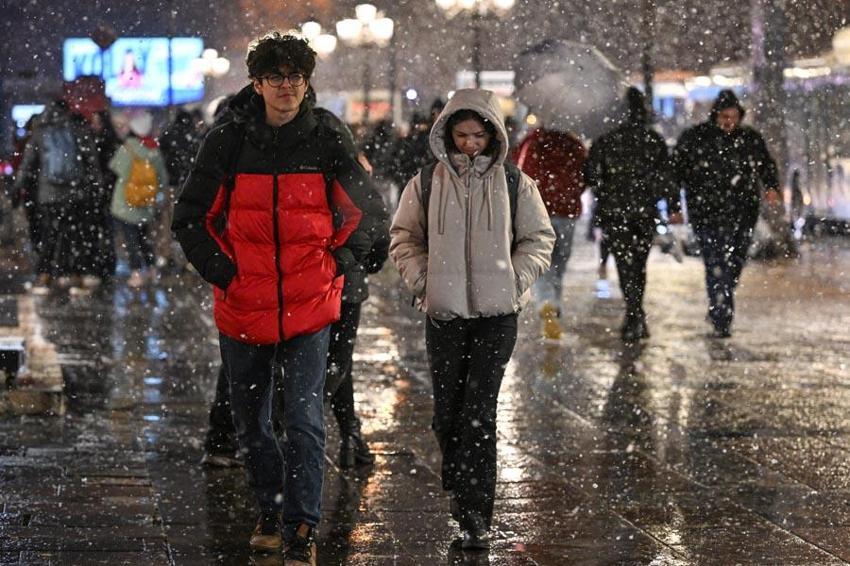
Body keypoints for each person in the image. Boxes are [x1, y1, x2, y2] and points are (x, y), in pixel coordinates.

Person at [172, 32, 385, 563]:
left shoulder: (325, 137)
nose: (286, 86)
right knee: (252, 422)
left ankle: (302, 526)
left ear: (306, 80)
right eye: (276, 77)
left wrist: (335, 262)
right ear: (257, 83)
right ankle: (270, 507)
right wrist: (225, 272)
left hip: (309, 304)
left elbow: (368, 212)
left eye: (295, 76)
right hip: (243, 304)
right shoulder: (227, 141)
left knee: (306, 419)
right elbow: (189, 217)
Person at [390, 89, 554, 550]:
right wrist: (425, 282)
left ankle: (475, 515)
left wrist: (513, 281)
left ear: (493, 135)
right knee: (448, 411)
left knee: (479, 412)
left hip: (495, 318)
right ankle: (460, 479)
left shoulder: (515, 183)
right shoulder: (425, 182)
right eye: (460, 136)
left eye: (478, 136)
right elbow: (404, 237)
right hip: (444, 315)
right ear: (446, 135)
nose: (469, 145)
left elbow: (539, 238)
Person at [671, 89, 780, 338]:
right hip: (706, 212)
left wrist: (771, 187)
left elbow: (766, 164)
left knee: (734, 261)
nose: (728, 122)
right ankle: (722, 313)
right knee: (715, 262)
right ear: (715, 116)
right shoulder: (697, 138)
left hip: (742, 212)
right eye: (723, 117)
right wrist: (676, 205)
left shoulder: (749, 139)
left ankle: (720, 300)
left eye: (732, 117)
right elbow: (676, 172)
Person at [583, 87, 674, 341]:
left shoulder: (606, 138)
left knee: (624, 262)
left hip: (615, 211)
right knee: (639, 263)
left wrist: (605, 191)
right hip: (644, 210)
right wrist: (662, 199)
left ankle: (633, 312)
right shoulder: (652, 139)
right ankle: (636, 313)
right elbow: (665, 175)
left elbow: (591, 174)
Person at [13, 99, 104, 292]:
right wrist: (96, 187)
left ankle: (44, 277)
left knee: (49, 235)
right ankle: (75, 277)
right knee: (74, 235)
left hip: (48, 194)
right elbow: (92, 162)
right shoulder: (77, 130)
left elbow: (27, 165)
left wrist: (17, 188)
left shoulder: (40, 133)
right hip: (74, 193)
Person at [514, 125, 587, 339]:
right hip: (566, 212)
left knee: (541, 263)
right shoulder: (574, 146)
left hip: (537, 212)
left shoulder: (532, 142)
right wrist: (569, 193)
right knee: (560, 261)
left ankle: (547, 303)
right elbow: (584, 176)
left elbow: (517, 172)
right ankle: (555, 303)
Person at [109, 112, 168, 288]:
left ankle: (136, 272)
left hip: (125, 202)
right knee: (144, 238)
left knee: (130, 239)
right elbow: (162, 178)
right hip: (145, 202)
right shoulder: (154, 150)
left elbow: (115, 168)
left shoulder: (126, 148)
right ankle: (151, 268)